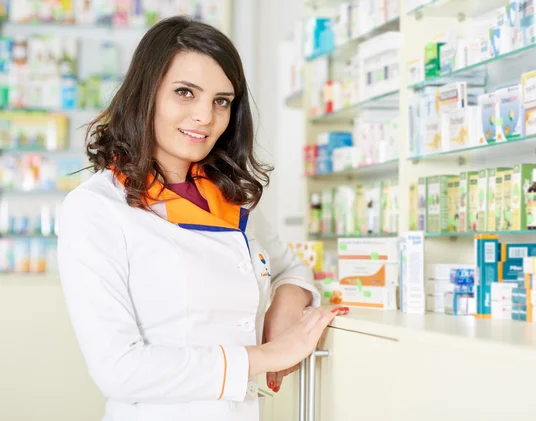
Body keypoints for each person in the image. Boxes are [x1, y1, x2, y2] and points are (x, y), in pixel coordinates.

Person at [57, 16, 348, 421]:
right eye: (184, 92)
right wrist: (266, 355)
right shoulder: (96, 209)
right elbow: (119, 371)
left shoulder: (228, 198)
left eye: (221, 101)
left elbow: (291, 267)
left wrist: (287, 304)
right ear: (146, 94)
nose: (205, 117)